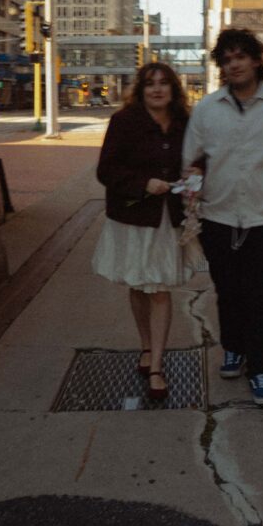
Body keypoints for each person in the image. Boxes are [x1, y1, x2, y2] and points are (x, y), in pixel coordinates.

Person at [182, 28, 263, 405]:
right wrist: (192, 197)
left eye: (240, 56)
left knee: (262, 297)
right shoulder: (207, 109)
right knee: (228, 293)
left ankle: (259, 367)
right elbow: (190, 159)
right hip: (219, 218)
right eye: (226, 59)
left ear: (257, 61)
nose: (233, 64)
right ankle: (233, 348)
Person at [92, 62, 195, 401]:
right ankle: (146, 346)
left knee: (160, 289)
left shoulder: (185, 122)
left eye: (164, 83)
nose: (157, 89)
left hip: (168, 218)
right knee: (139, 285)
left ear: (173, 89)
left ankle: (157, 367)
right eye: (150, 83)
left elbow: (200, 159)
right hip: (134, 218)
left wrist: (196, 174)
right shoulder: (124, 122)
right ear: (141, 89)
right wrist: (142, 184)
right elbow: (106, 170)